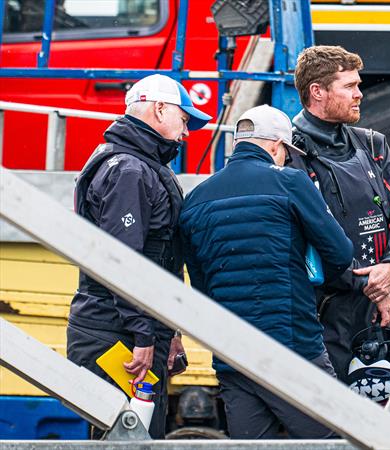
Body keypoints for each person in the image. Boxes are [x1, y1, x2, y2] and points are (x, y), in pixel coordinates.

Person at [178, 105, 353, 439]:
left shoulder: (195, 200)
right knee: (333, 442)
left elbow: (200, 288)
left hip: (232, 355)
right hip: (292, 350)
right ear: (277, 146)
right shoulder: (289, 182)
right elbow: (341, 253)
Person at [68, 74, 212, 439]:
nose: (187, 132)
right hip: (118, 334)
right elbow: (123, 261)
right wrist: (145, 337)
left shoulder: (141, 165)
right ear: (159, 109)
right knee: (127, 439)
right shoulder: (130, 171)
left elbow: (160, 257)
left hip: (130, 326)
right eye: (184, 119)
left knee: (137, 435)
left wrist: (170, 330)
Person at [289, 45, 390, 381]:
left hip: (379, 303)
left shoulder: (373, 144)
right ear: (317, 92)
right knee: (326, 421)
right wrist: (364, 282)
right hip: (321, 310)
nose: (359, 94)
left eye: (358, 85)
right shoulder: (289, 151)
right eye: (349, 87)